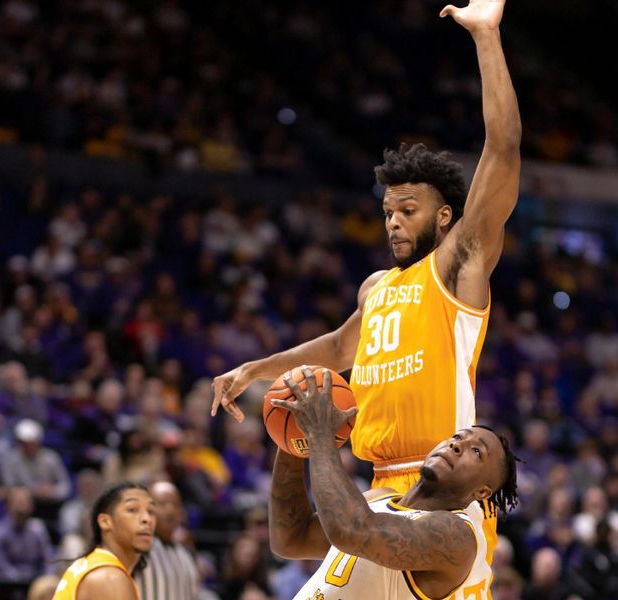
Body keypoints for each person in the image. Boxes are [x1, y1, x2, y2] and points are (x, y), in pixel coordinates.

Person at [212, 0, 520, 496]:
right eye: (388, 214)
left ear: (444, 216)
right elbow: (338, 348)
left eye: (408, 211)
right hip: (377, 486)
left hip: (441, 484)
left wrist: (486, 36)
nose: (393, 223)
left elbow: (502, 149)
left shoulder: (458, 264)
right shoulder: (376, 287)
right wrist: (255, 369)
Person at [269, 367, 519, 599]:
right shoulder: (376, 498)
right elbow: (292, 538)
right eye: (457, 437)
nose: (457, 445)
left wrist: (319, 432)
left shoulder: (457, 537)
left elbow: (351, 530)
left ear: (482, 491)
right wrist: (291, 435)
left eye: (476, 451)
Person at [54, 482, 156, 600]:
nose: (147, 519)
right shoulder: (109, 578)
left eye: (151, 511)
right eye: (132, 510)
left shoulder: (96, 566)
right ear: (105, 522)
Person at [134, 481, 199, 600]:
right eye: (162, 504)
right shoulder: (135, 548)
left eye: (176, 504)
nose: (170, 511)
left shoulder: (186, 554)